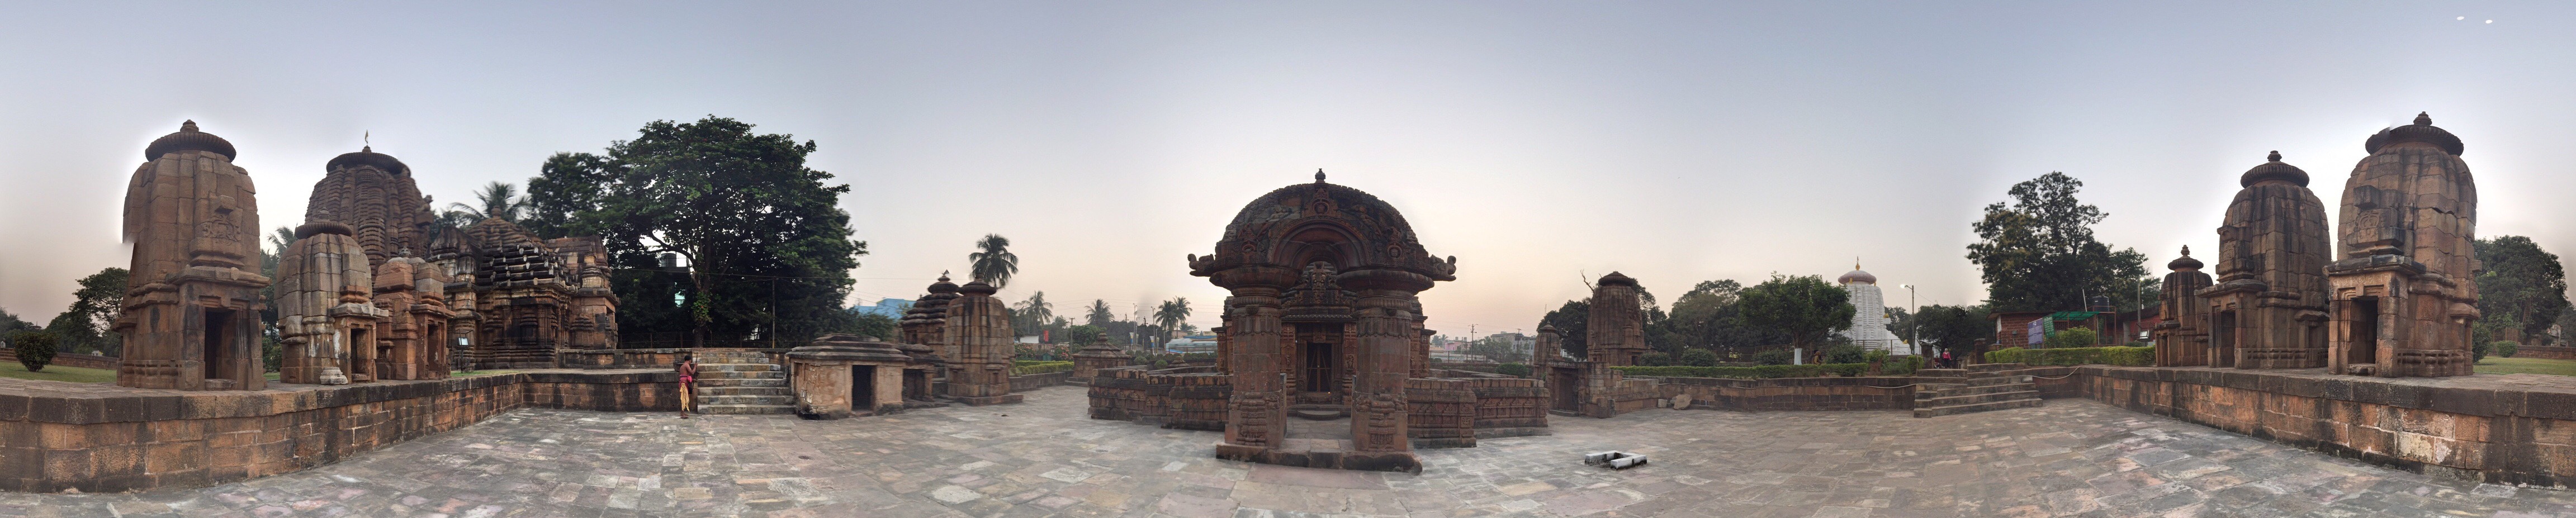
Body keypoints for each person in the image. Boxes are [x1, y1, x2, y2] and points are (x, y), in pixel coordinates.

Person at [676, 353, 698, 418]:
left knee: (685, 398)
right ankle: (682, 413)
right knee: (684, 398)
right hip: (684, 384)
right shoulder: (686, 365)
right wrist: (695, 367)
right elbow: (692, 372)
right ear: (690, 360)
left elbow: (685, 375)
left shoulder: (682, 366)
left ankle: (682, 412)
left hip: (683, 383)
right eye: (691, 361)